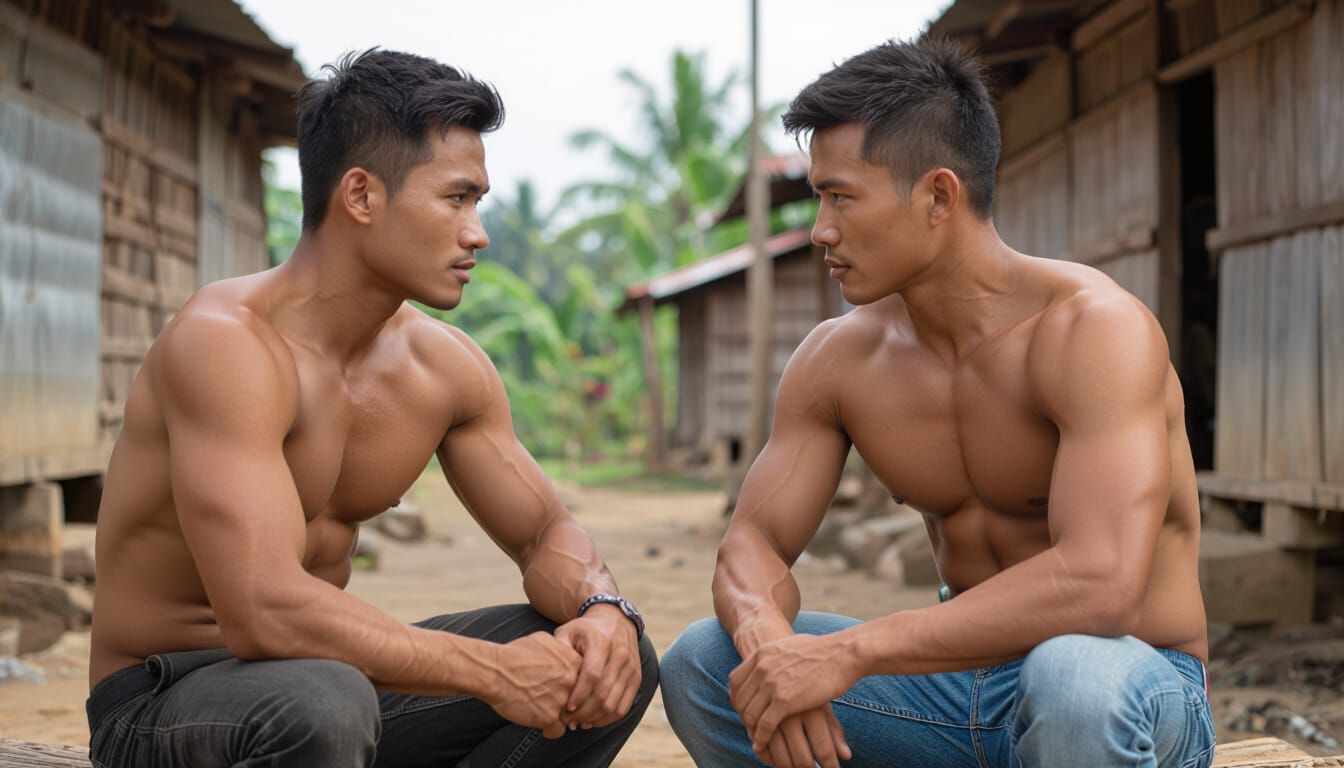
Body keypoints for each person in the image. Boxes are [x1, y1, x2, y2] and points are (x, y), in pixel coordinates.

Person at [86, 49, 656, 768]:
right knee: (321, 702)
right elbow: (263, 608)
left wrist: (604, 611)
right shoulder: (227, 346)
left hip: (330, 690)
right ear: (361, 196)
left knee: (609, 670)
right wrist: (493, 671)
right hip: (164, 701)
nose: (477, 232)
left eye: (478, 203)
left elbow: (545, 532)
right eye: (456, 199)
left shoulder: (442, 367)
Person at [660, 37, 1213, 768]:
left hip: (1133, 685)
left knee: (1072, 674)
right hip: (961, 694)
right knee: (705, 660)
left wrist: (850, 653)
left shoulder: (1092, 331)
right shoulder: (840, 359)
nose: (822, 229)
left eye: (841, 197)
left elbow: (1100, 584)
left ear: (938, 196)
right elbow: (752, 546)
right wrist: (770, 645)